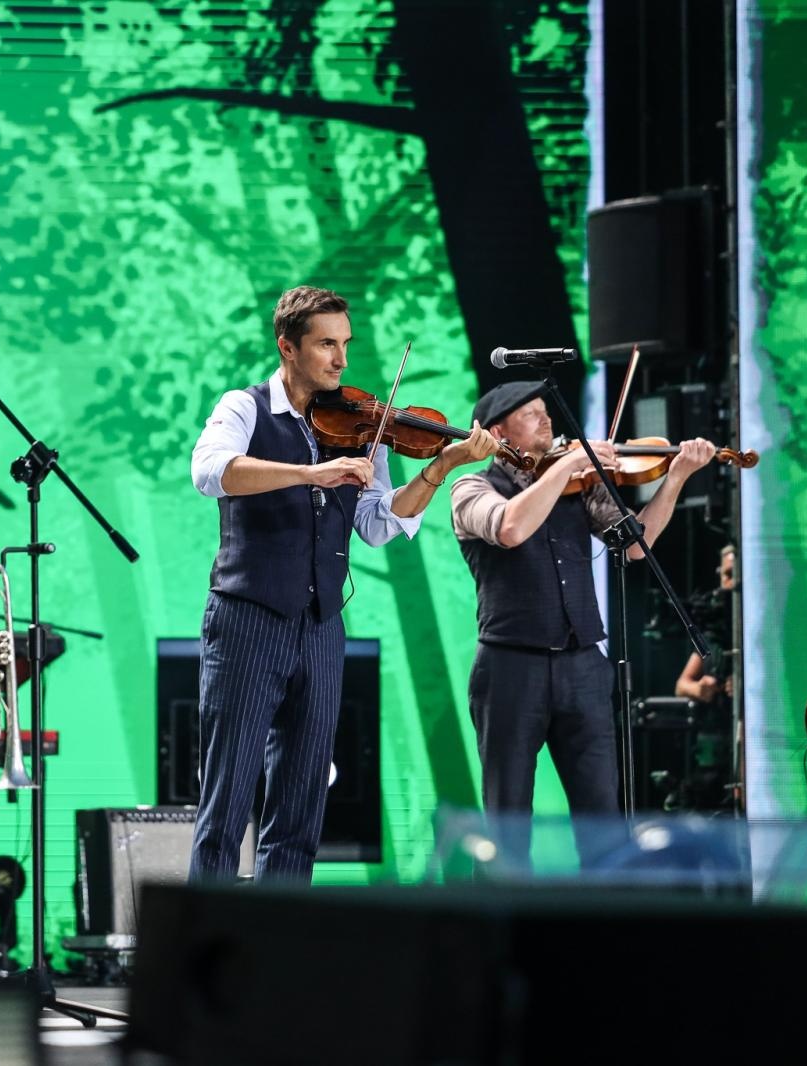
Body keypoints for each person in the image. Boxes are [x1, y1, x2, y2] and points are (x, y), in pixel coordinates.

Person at [187, 285, 497, 882]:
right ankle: (205, 950)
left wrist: (440, 467)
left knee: (302, 803)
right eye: (327, 344)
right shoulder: (245, 407)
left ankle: (283, 950)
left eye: (345, 343)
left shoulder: (360, 426)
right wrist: (311, 472)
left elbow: (379, 524)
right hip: (247, 617)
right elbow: (210, 472)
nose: (341, 360)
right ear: (288, 347)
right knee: (227, 799)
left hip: (323, 624)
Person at [450, 381, 712, 852]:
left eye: (546, 411)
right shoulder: (472, 487)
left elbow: (635, 546)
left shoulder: (579, 486)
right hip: (510, 668)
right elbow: (510, 527)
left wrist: (675, 479)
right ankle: (503, 921)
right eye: (531, 414)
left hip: (582, 666)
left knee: (601, 817)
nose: (548, 421)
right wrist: (570, 464)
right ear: (497, 431)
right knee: (507, 821)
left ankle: (601, 920)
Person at [675, 543, 737, 703]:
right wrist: (700, 688)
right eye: (728, 575)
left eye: (739, 575)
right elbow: (681, 686)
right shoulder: (714, 629)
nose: (733, 584)